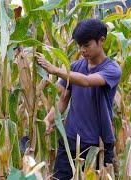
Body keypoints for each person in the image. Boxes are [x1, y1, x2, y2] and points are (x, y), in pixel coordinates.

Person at [36, 18, 122, 179]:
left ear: (101, 40)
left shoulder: (112, 69)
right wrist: (48, 120)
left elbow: (87, 81)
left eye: (86, 45)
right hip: (70, 139)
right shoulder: (75, 66)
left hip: (98, 143)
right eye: (79, 45)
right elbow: (62, 99)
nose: (82, 50)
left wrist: (55, 70)